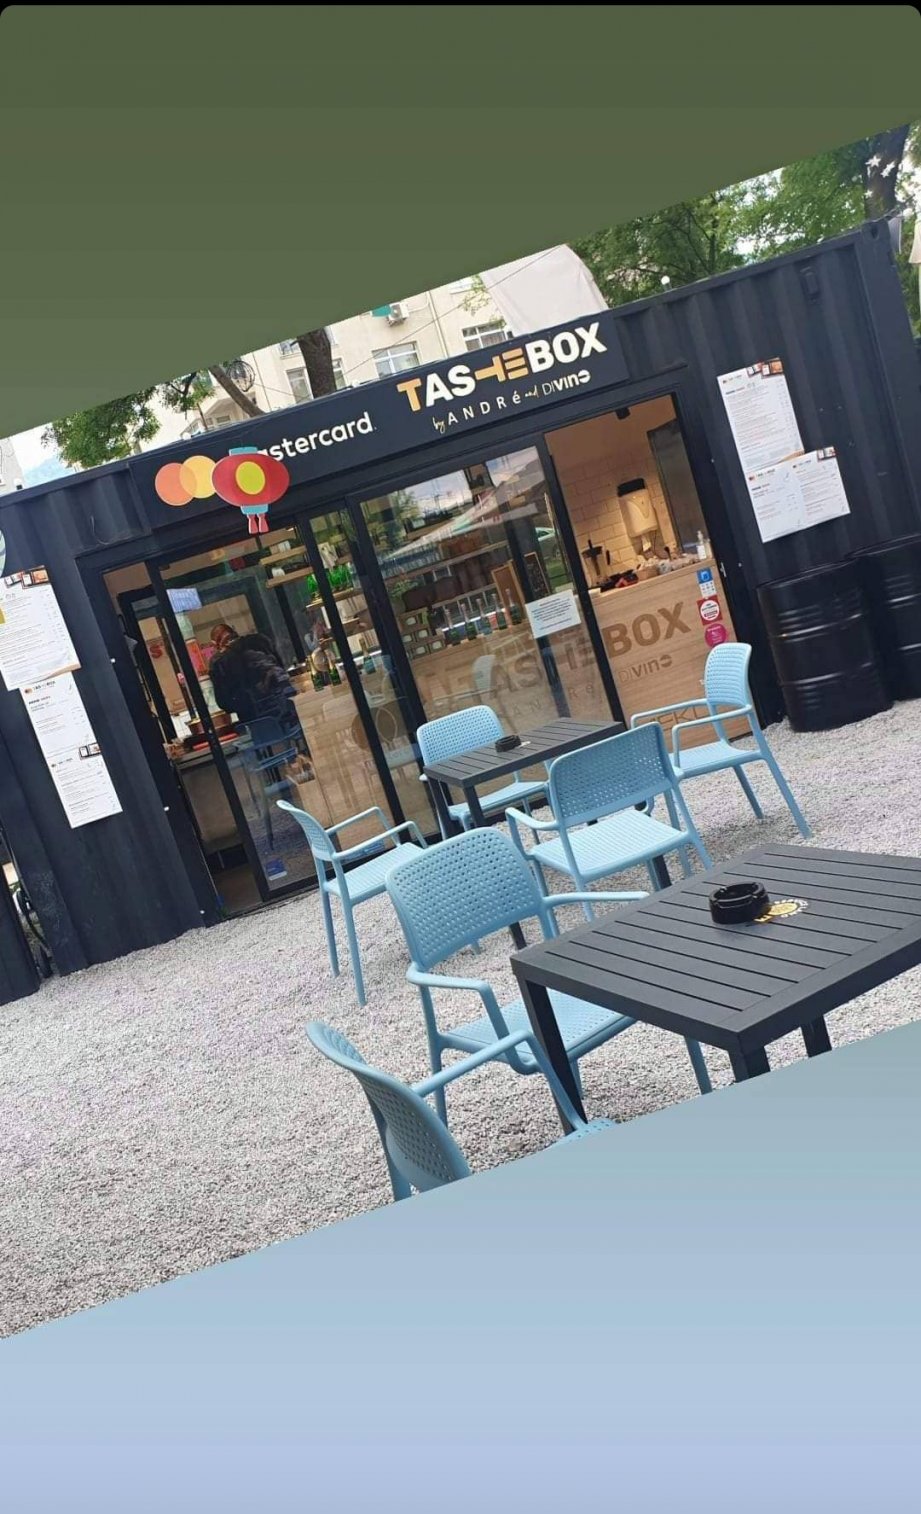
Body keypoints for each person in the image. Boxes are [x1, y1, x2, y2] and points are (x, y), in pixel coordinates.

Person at [208, 622, 314, 780]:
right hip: (288, 717)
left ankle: (272, 780)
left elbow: (224, 703)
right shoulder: (261, 642)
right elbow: (281, 672)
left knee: (260, 744)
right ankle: (306, 764)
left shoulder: (219, 663)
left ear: (215, 644)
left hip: (257, 728)